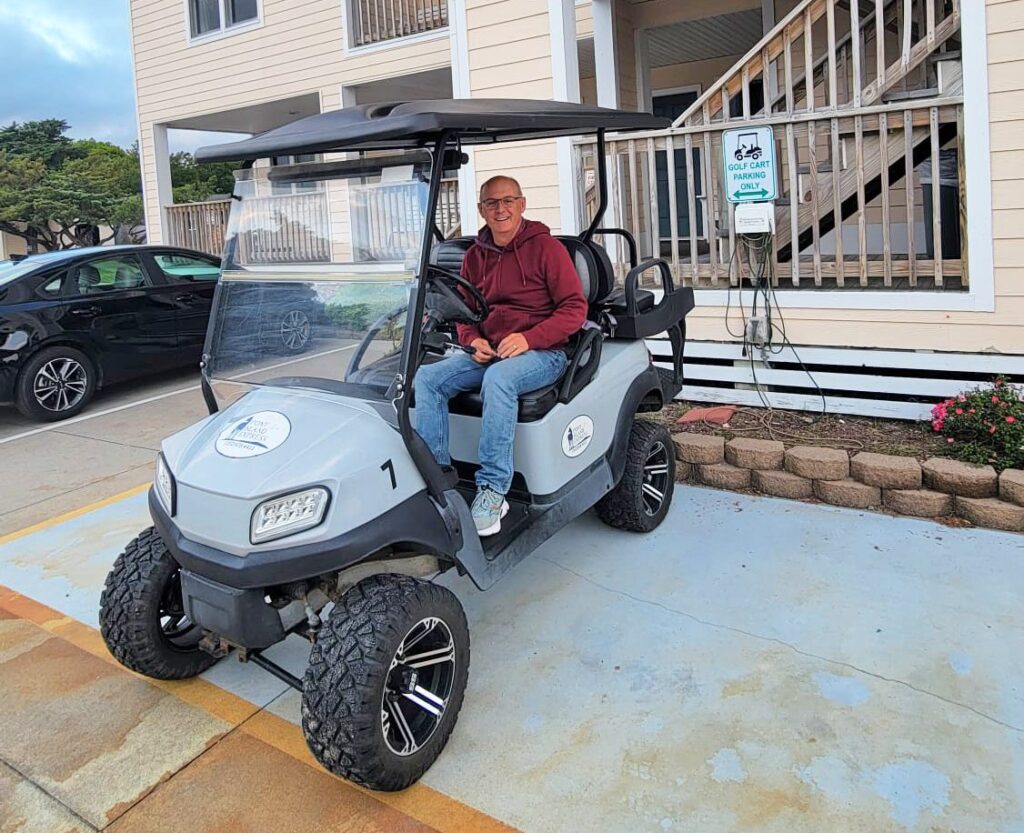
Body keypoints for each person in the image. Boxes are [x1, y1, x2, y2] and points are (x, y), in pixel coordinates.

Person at [414, 175, 588, 537]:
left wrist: (529, 339)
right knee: (427, 379)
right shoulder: (475, 256)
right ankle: (439, 480)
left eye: (508, 201)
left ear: (522, 204)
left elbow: (574, 310)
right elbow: (464, 312)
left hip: (544, 352)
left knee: (500, 379)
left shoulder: (546, 248)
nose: (501, 209)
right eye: (492, 203)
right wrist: (473, 338)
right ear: (481, 209)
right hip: (491, 352)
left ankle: (493, 490)